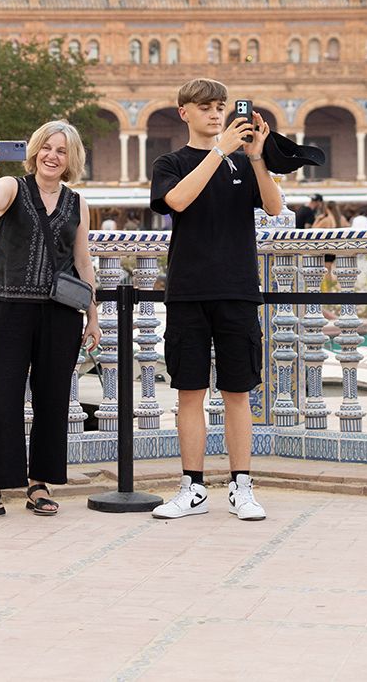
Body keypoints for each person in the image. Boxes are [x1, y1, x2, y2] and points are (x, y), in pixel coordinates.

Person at [149, 78, 282, 522]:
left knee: (237, 392)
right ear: (184, 112)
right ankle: (193, 487)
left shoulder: (244, 161)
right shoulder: (170, 162)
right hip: (188, 291)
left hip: (237, 289)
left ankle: (242, 485)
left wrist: (257, 156)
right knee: (190, 391)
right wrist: (220, 151)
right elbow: (176, 201)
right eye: (205, 106)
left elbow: (274, 207)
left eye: (220, 106)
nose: (214, 113)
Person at [0, 121, 100, 521]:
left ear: (71, 159)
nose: (52, 156)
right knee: (1, 398)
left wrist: (93, 316)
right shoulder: (12, 187)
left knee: (52, 400)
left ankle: (39, 483)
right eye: (47, 148)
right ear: (35, 151)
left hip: (61, 313)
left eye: (61, 151)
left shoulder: (77, 203)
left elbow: (83, 261)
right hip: (10, 309)